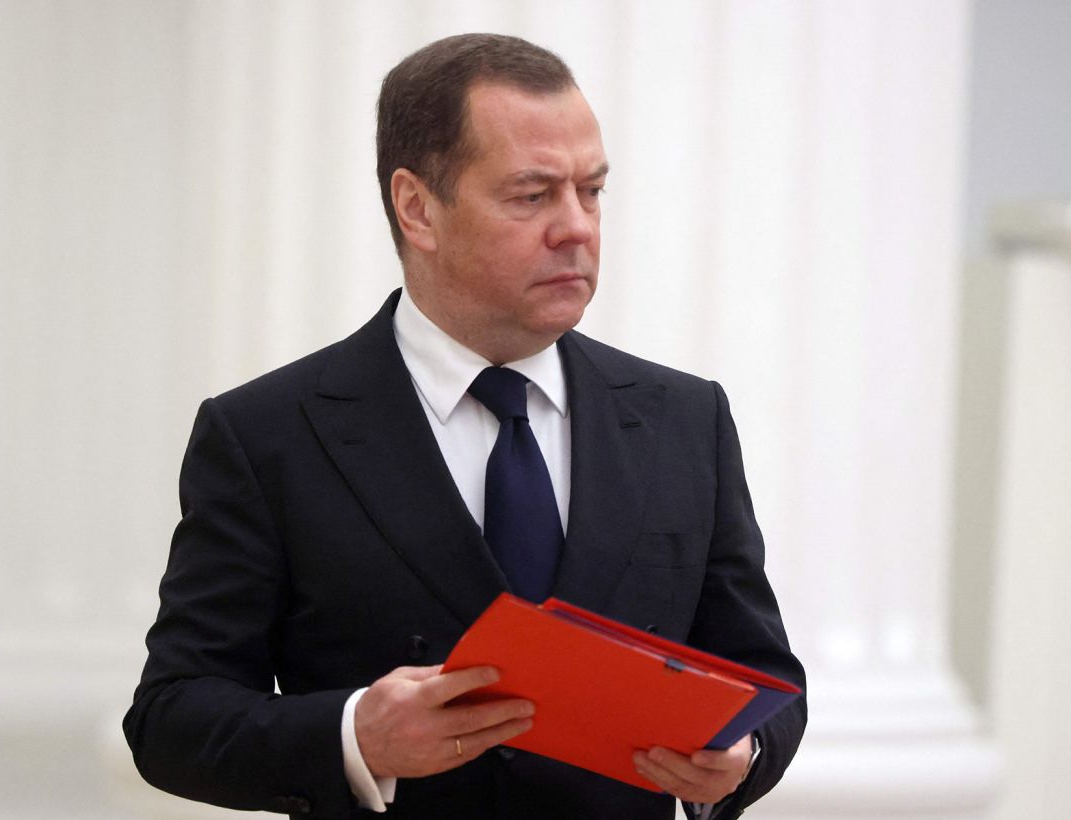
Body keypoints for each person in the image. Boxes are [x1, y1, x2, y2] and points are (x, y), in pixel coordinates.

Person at [124, 33, 806, 820]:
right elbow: (170, 717)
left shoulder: (685, 419)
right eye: (532, 195)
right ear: (417, 208)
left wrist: (742, 759)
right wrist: (356, 737)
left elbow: (766, 681)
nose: (577, 227)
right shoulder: (267, 434)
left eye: (591, 190)